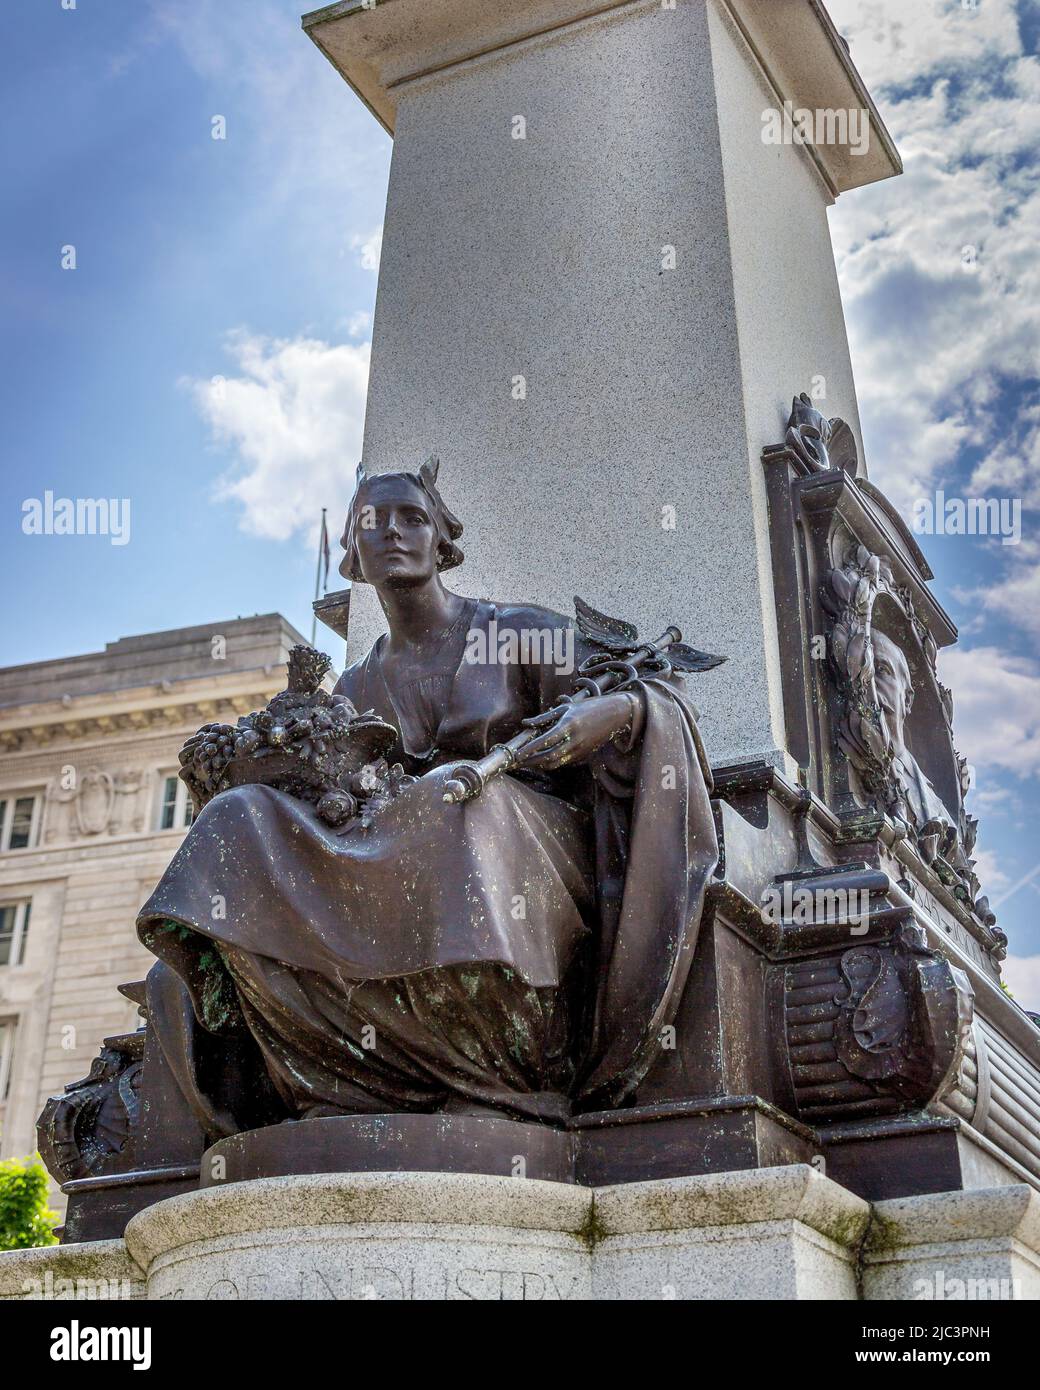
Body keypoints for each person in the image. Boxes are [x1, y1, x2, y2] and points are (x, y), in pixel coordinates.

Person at [138, 461, 718, 1136]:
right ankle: (343, 1069)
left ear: (442, 540)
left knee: (447, 798)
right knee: (237, 818)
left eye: (411, 517)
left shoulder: (515, 632)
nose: (392, 533)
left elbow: (657, 691)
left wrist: (612, 714)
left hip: (530, 846)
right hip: (406, 849)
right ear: (351, 556)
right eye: (371, 523)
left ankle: (500, 1069)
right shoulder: (352, 689)